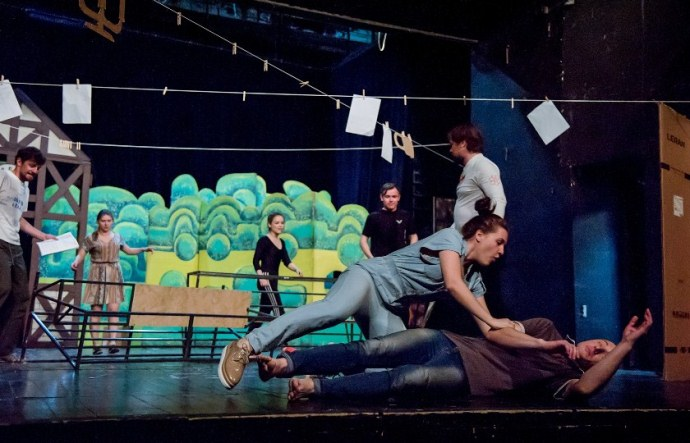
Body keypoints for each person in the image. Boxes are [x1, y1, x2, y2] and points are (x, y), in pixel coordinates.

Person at [218, 208, 517, 390]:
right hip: (369, 278)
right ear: (479, 234)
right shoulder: (451, 240)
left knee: (387, 369)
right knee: (333, 311)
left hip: (387, 306)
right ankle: (247, 345)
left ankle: (287, 367)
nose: (501, 251)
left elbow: (490, 330)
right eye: (499, 242)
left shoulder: (474, 280)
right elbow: (452, 284)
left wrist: (529, 337)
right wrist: (494, 319)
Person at [256, 309, 653, 402]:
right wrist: (541, 344)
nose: (598, 348)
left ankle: (315, 387)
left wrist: (624, 345)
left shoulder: (563, 379)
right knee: (372, 348)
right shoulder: (547, 329)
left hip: (467, 375)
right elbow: (498, 331)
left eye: (604, 354)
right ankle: (287, 363)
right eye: (602, 342)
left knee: (404, 379)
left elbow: (585, 389)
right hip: (448, 340)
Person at [0, 147, 56, 363]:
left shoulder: (25, 187)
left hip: (14, 245)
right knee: (3, 288)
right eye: (32, 166)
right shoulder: (4, 176)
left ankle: (4, 349)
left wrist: (42, 235)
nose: (35, 171)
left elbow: (19, 219)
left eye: (38, 168)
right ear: (19, 161)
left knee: (22, 296)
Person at [71, 209, 153, 355]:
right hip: (97, 274)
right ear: (98, 222)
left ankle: (112, 342)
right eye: (103, 221)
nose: (106, 224)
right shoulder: (91, 238)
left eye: (109, 221)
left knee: (113, 310)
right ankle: (96, 345)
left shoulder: (117, 237)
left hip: (114, 273)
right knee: (96, 311)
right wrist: (76, 261)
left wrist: (143, 249)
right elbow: (82, 253)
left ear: (112, 221)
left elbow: (128, 250)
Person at [248, 213, 303, 331]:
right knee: (279, 311)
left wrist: (296, 269)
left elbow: (287, 261)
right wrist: (261, 277)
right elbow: (256, 261)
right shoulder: (263, 241)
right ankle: (283, 339)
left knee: (264, 313)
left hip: (274, 281)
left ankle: (248, 334)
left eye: (282, 223)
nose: (280, 225)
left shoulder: (281, 242)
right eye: (276, 223)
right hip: (266, 280)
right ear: (269, 224)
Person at [448, 123, 507, 229]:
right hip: (462, 236)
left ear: (462, 144)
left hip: (477, 237)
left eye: (452, 144)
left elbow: (498, 200)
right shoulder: (468, 168)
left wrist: (492, 234)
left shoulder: (483, 165)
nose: (450, 149)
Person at [360, 183, 418, 259]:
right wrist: (371, 258)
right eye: (387, 196)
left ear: (399, 198)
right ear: (381, 197)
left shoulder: (405, 215)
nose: (391, 200)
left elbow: (413, 236)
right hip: (380, 261)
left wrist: (409, 253)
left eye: (394, 196)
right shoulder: (373, 217)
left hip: (400, 260)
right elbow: (363, 240)